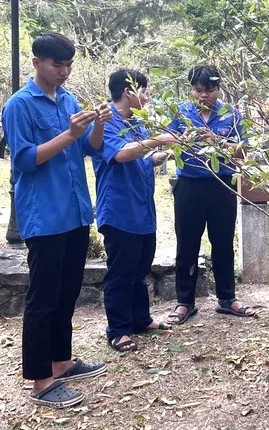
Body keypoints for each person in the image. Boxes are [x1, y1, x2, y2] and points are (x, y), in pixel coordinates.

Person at [3, 32, 112, 408]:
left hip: (75, 211)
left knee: (67, 292)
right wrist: (70, 133)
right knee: (44, 298)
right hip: (45, 215)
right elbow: (24, 160)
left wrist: (98, 124)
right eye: (57, 64)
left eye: (68, 65)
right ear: (37, 62)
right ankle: (40, 381)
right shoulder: (19, 105)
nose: (64, 72)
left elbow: (89, 148)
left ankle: (62, 361)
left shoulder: (69, 100)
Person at [92, 68, 178, 352]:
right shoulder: (106, 121)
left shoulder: (136, 124)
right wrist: (159, 139)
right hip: (119, 210)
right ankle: (118, 330)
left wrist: (168, 152)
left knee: (141, 267)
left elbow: (142, 157)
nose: (147, 97)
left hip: (142, 209)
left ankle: (141, 319)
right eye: (144, 91)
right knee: (121, 272)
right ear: (128, 92)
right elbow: (120, 154)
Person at [166, 65, 256, 325]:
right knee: (187, 244)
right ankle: (185, 302)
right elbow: (166, 142)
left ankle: (227, 298)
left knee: (223, 242)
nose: (203, 95)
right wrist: (179, 141)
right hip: (189, 185)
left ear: (218, 88)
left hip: (222, 185)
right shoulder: (180, 113)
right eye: (197, 90)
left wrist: (216, 141)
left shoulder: (231, 114)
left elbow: (243, 151)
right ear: (191, 90)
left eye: (209, 90)